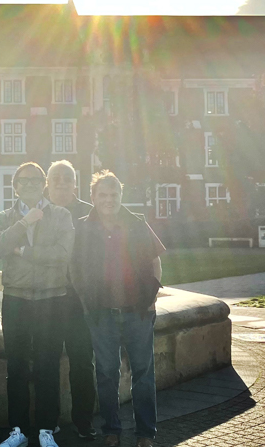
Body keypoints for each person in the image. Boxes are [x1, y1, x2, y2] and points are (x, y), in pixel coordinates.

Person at [71, 171, 165, 447]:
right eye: (103, 194)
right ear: (93, 197)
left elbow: (155, 263)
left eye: (114, 194)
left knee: (143, 374)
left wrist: (151, 297)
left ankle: (145, 433)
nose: (109, 200)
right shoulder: (82, 227)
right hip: (101, 314)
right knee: (106, 372)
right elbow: (74, 270)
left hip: (137, 311)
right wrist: (86, 302)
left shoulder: (137, 223)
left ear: (121, 195)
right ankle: (111, 429)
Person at [0, 162, 73, 447]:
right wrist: (24, 223)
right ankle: (18, 431)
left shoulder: (61, 216)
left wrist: (24, 250)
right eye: (23, 181)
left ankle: (47, 429)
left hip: (52, 299)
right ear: (15, 186)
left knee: (48, 365)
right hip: (16, 298)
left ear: (43, 185)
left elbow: (63, 254)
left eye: (36, 180)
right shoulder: (4, 217)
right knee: (17, 366)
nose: (30, 185)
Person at [45, 160, 97, 440]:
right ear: (48, 184)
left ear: (75, 184)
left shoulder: (90, 215)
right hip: (47, 299)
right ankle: (49, 419)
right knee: (47, 361)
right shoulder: (39, 212)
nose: (62, 183)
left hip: (79, 301)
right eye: (56, 178)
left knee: (81, 361)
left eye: (68, 178)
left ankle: (83, 420)